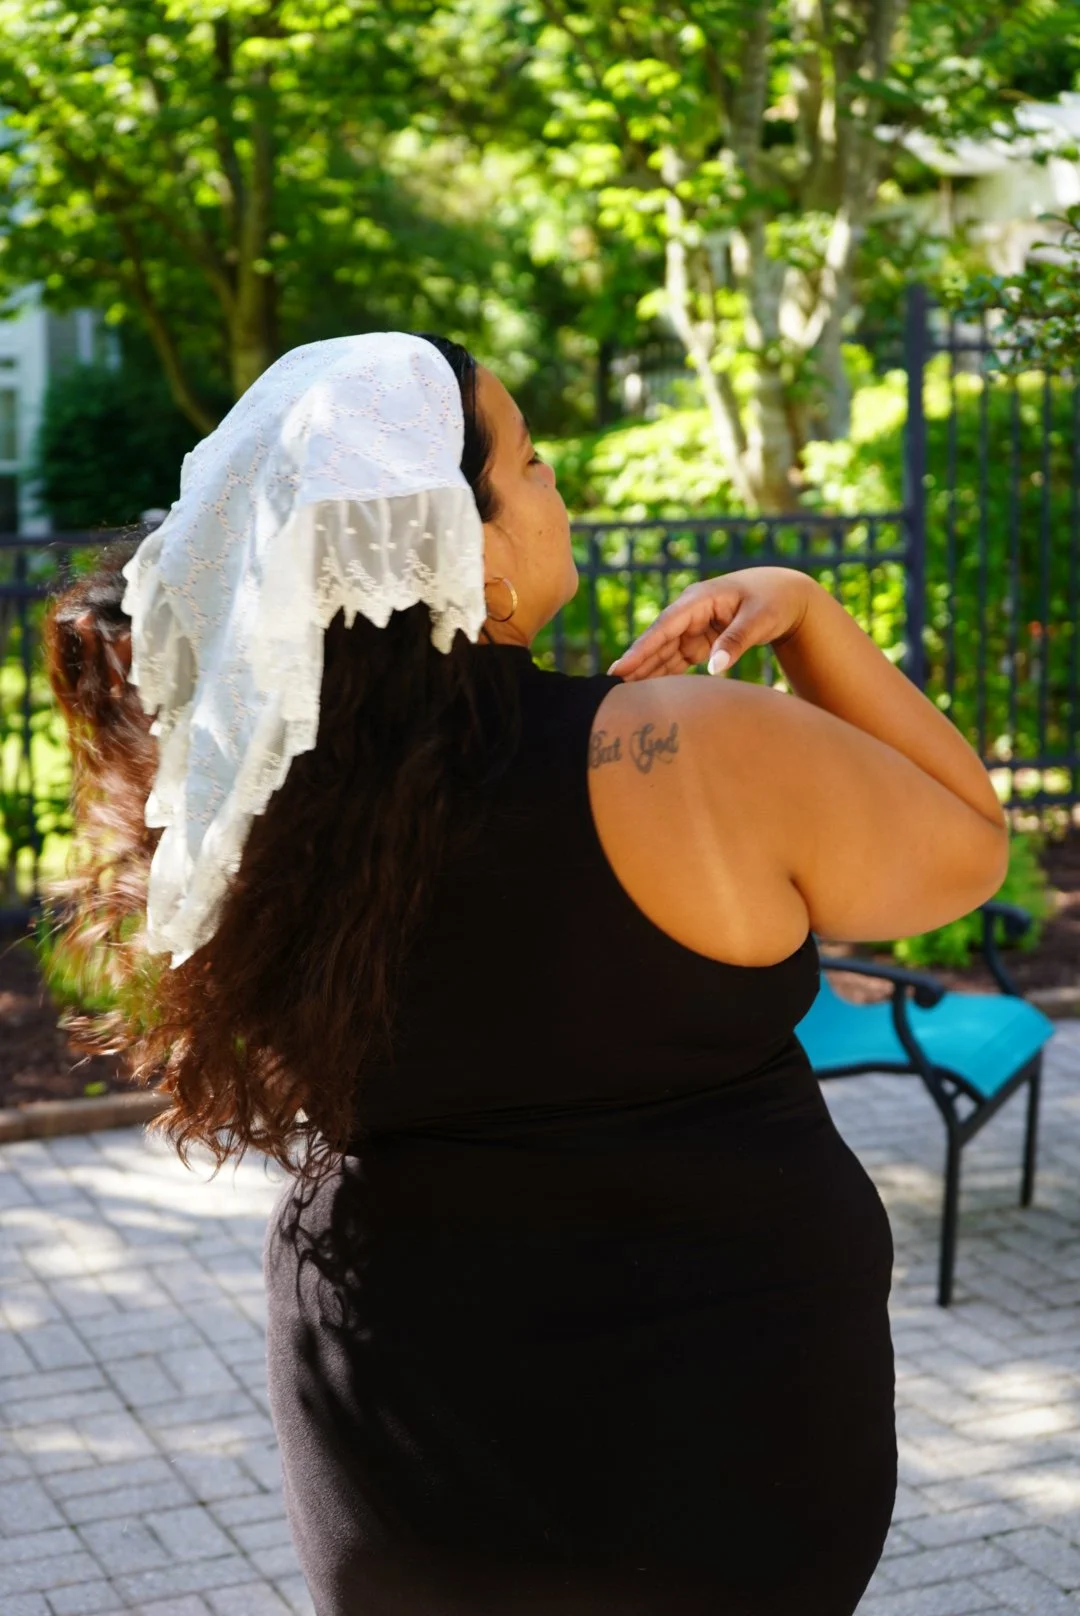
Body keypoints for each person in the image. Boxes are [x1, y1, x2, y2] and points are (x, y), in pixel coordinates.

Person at [39, 331, 1010, 1616]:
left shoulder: (247, 814)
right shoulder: (683, 748)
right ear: (469, 545)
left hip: (397, 1425)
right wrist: (813, 617)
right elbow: (968, 848)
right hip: (725, 1422)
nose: (561, 488)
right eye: (536, 463)